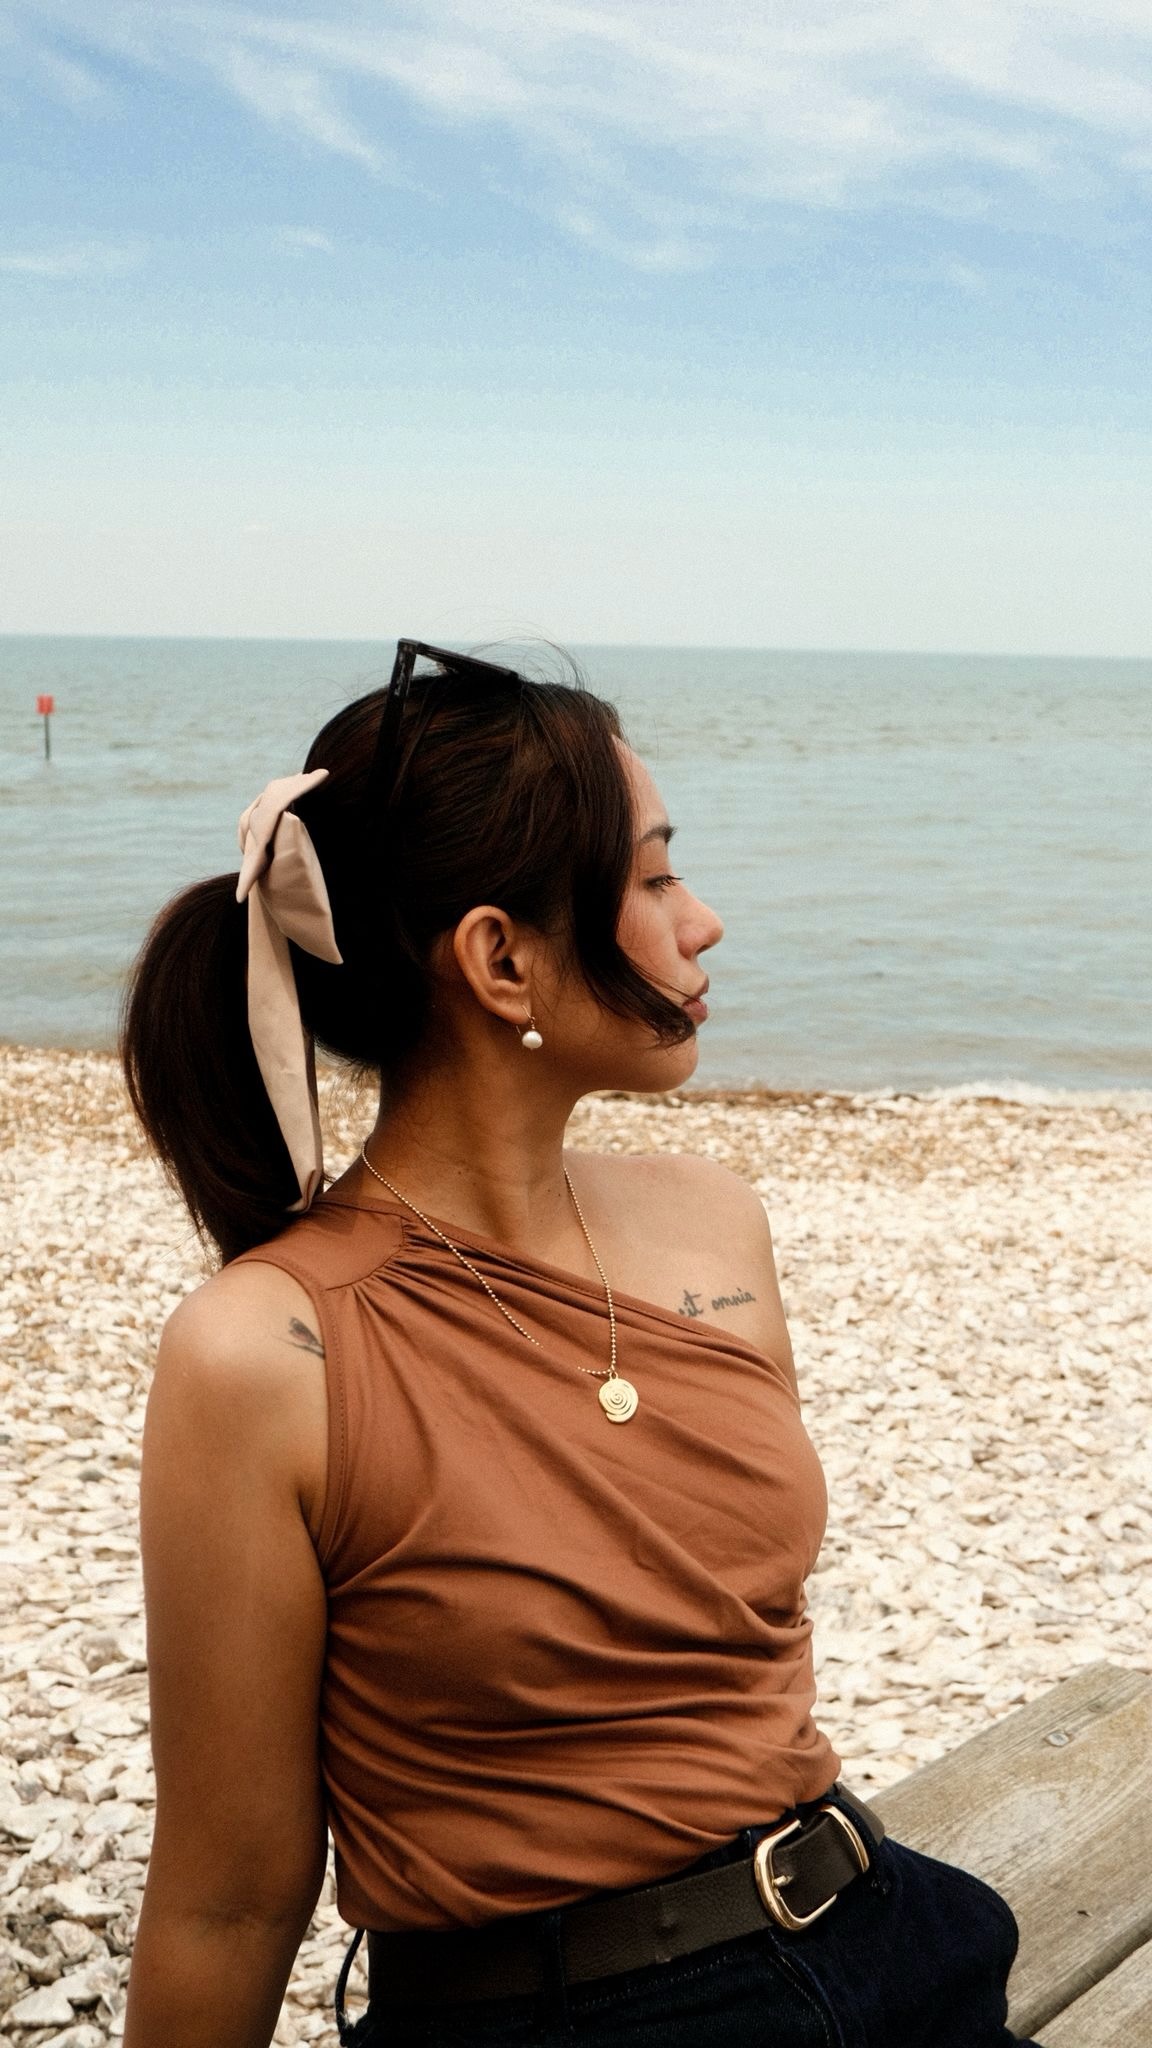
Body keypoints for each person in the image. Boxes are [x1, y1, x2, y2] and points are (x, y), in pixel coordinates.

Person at [119, 641, 1038, 2048]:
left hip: (885, 1934)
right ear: (501, 958)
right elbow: (228, 1905)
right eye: (657, 877)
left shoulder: (711, 1224)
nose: (705, 920)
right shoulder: (262, 1352)